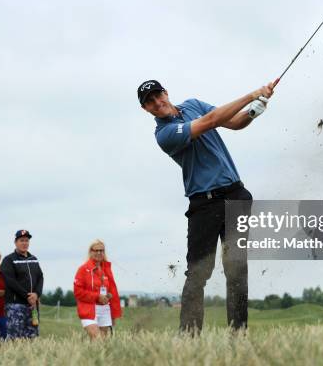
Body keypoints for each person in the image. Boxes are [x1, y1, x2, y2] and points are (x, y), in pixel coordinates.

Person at [138, 78, 278, 333]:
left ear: (166, 93)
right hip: (204, 204)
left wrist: (255, 109)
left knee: (237, 268)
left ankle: (239, 334)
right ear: (146, 109)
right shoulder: (164, 134)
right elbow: (211, 121)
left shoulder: (192, 104)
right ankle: (189, 338)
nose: (157, 102)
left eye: (158, 95)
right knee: (198, 274)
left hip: (236, 195)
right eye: (150, 102)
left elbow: (234, 123)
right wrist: (253, 93)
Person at [74, 240, 121, 340]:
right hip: (88, 309)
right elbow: (78, 292)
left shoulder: (107, 269)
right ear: (90, 252)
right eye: (96, 250)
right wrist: (97, 296)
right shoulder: (83, 269)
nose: (99, 253)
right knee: (98, 339)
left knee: (103, 344)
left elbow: (113, 291)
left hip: (105, 310)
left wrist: (112, 310)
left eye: (101, 250)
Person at [1, 230, 43, 339]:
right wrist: (27, 296)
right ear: (15, 242)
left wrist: (37, 294)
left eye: (27, 240)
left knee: (32, 337)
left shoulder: (33, 259)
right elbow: (11, 282)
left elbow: (40, 277)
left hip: (32, 305)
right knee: (15, 338)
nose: (24, 243)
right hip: (15, 305)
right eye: (21, 240)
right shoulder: (9, 260)